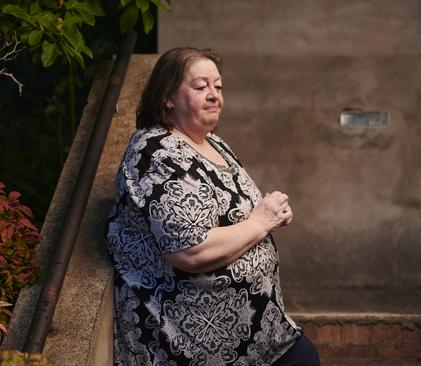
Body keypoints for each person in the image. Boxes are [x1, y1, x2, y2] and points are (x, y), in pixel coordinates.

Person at [105, 47, 320, 366]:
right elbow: (189, 251)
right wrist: (261, 223)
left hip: (258, 332)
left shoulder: (214, 143)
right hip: (191, 343)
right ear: (167, 97)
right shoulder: (157, 154)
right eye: (200, 86)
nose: (213, 95)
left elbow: (235, 214)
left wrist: (272, 214)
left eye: (218, 86)